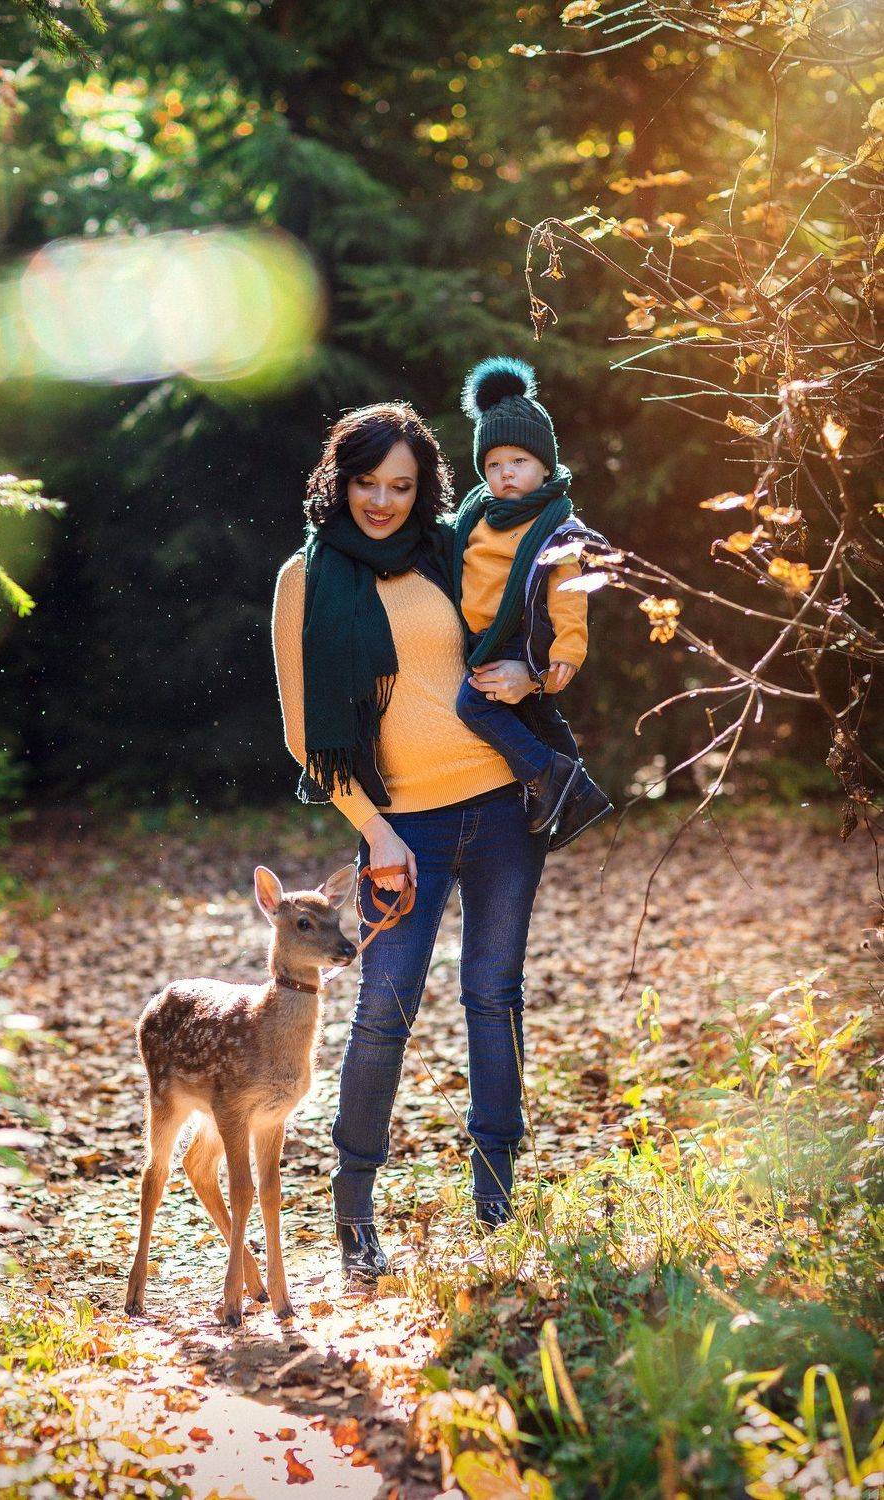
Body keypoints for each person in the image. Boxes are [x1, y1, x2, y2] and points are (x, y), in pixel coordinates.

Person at [271, 402, 553, 1285]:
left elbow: (528, 617)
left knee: (493, 998)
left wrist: (532, 673)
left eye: (401, 485)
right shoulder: (304, 578)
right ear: (339, 480)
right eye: (367, 483)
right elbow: (302, 735)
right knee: (382, 1014)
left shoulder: (447, 551)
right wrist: (376, 833)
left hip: (502, 809)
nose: (383, 501)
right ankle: (354, 1222)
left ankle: (496, 1208)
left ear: (422, 487)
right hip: (402, 828)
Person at [452, 356, 614, 848]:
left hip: (520, 636)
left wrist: (569, 648)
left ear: (545, 466)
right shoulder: (477, 516)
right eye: (493, 465)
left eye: (518, 462)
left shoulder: (553, 527)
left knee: (473, 705)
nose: (505, 474)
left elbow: (569, 592)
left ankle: (552, 776)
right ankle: (578, 795)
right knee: (540, 719)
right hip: (482, 636)